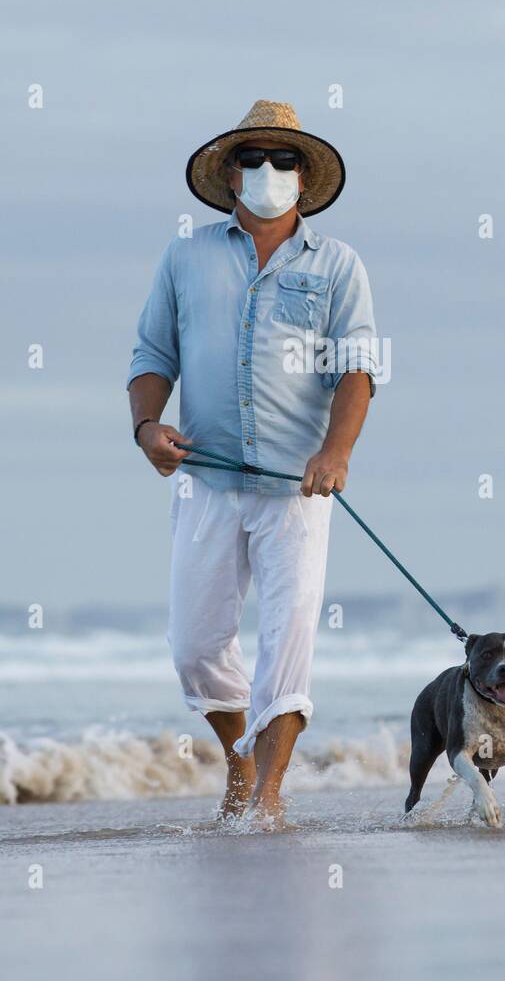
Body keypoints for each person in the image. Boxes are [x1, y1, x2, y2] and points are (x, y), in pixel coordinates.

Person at [127, 100, 377, 826]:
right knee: (195, 649)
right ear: (231, 174)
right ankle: (241, 759)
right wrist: (147, 428)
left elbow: (357, 368)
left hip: (297, 490)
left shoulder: (337, 264)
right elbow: (152, 355)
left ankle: (265, 797)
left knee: (287, 644)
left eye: (284, 159)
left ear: (304, 178)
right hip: (205, 481)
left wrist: (337, 451)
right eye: (255, 158)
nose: (269, 171)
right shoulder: (186, 255)